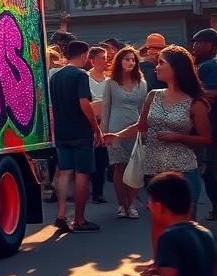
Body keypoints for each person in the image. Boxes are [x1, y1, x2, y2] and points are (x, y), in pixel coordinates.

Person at [107, 45, 211, 218]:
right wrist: (116, 136)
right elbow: (141, 126)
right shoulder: (153, 95)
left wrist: (179, 137)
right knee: (161, 229)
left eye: (161, 62)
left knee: (183, 229)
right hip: (156, 176)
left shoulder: (195, 103)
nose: (156, 66)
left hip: (183, 173)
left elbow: (206, 139)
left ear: (176, 68)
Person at [49, 40, 103, 232]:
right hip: (80, 131)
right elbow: (84, 103)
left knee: (64, 173)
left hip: (61, 132)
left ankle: (61, 215)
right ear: (83, 55)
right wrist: (96, 128)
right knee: (82, 174)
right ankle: (80, 220)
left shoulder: (55, 76)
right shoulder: (80, 75)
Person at [102, 47, 147, 219]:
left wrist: (144, 131)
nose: (130, 62)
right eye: (127, 59)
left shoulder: (141, 83)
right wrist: (104, 133)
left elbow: (143, 109)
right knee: (119, 168)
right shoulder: (111, 83)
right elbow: (105, 109)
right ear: (119, 61)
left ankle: (133, 204)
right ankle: (122, 205)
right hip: (115, 130)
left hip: (135, 129)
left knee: (134, 168)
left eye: (133, 60)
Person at [191, 27, 217, 222]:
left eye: (197, 43)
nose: (193, 47)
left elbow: (210, 93)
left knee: (209, 172)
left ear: (209, 46)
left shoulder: (208, 67)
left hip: (212, 128)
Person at [86, 46, 110, 204]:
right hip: (89, 122)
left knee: (102, 159)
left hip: (106, 123)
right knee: (91, 157)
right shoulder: (85, 78)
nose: (105, 61)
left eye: (106, 57)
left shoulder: (110, 81)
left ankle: (98, 192)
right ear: (92, 60)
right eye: (102, 57)